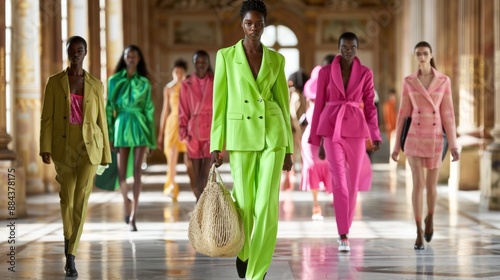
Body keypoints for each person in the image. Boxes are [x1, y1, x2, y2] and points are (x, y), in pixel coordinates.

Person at [210, 1, 293, 279]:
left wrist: (290, 149)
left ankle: (257, 272)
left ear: (264, 25)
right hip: (241, 134)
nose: (254, 28)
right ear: (241, 24)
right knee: (244, 202)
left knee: (266, 205)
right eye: (249, 23)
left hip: (273, 135)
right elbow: (219, 103)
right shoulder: (225, 56)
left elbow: (282, 102)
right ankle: (244, 250)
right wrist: (216, 144)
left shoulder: (276, 60)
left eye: (258, 23)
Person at [40, 36, 112, 277]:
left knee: (81, 198)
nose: (75, 54)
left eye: (79, 50)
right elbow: (46, 118)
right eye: (71, 50)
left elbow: (101, 120)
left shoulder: (96, 84)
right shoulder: (54, 82)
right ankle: (68, 238)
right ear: (67, 52)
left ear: (86, 53)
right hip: (63, 146)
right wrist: (45, 146)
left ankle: (71, 254)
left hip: (89, 147)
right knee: (66, 199)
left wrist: (106, 154)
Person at [308, 32, 382, 252]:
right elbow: (319, 104)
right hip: (331, 130)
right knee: (339, 180)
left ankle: (346, 226)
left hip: (356, 130)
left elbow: (369, 106)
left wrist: (375, 134)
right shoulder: (325, 72)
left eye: (352, 47)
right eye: (344, 47)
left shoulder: (366, 73)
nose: (348, 50)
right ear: (338, 47)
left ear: (357, 49)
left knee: (352, 182)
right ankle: (343, 233)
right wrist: (317, 139)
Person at [391, 41, 460, 250]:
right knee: (418, 184)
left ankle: (430, 217)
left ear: (431, 55)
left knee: (431, 187)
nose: (422, 56)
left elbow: (448, 113)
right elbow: (403, 113)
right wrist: (395, 147)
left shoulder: (443, 81)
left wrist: (454, 145)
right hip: (414, 138)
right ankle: (418, 231)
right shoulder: (409, 81)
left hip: (436, 137)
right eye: (418, 53)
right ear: (415, 56)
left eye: (425, 53)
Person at [106, 45, 156, 231]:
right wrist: (110, 134)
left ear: (139, 59)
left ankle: (134, 214)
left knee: (137, 171)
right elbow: (108, 108)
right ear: (124, 57)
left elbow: (149, 110)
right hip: (121, 124)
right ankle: (126, 200)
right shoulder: (113, 81)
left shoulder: (145, 82)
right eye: (128, 55)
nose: (131, 58)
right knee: (121, 172)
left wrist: (151, 139)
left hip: (140, 125)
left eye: (135, 56)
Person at [178, 50, 214, 202]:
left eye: (204, 62)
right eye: (198, 62)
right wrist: (183, 130)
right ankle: (199, 207)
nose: (201, 65)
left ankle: (203, 208)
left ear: (208, 63)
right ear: (193, 63)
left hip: (211, 132)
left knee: (206, 175)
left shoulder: (216, 81)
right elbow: (183, 109)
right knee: (196, 175)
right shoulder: (186, 84)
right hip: (193, 132)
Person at [158, 59, 194, 201]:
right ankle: (172, 186)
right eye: (176, 72)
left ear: (185, 73)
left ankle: (195, 187)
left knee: (189, 159)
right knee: (171, 155)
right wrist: (160, 133)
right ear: (172, 72)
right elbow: (164, 110)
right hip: (172, 123)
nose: (178, 75)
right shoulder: (168, 88)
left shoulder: (189, 87)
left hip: (187, 122)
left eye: (181, 72)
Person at [301, 64, 333, 220]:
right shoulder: (312, 100)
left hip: (324, 139)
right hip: (311, 141)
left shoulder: (329, 100)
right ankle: (316, 205)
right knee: (314, 168)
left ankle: (324, 202)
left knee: (325, 167)